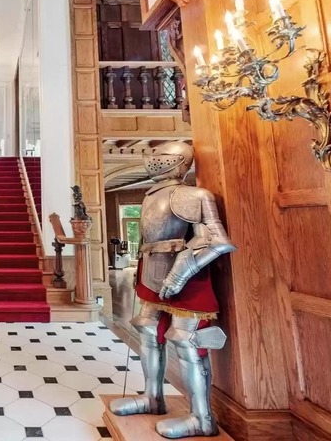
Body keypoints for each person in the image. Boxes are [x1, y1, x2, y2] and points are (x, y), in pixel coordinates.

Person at [109, 141, 235, 439]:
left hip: (185, 278)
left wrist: (180, 274)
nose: (152, 161)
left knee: (186, 341)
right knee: (149, 333)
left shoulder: (193, 195)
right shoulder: (152, 195)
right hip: (151, 272)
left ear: (179, 161)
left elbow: (216, 240)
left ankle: (201, 418)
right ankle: (152, 397)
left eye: (160, 156)